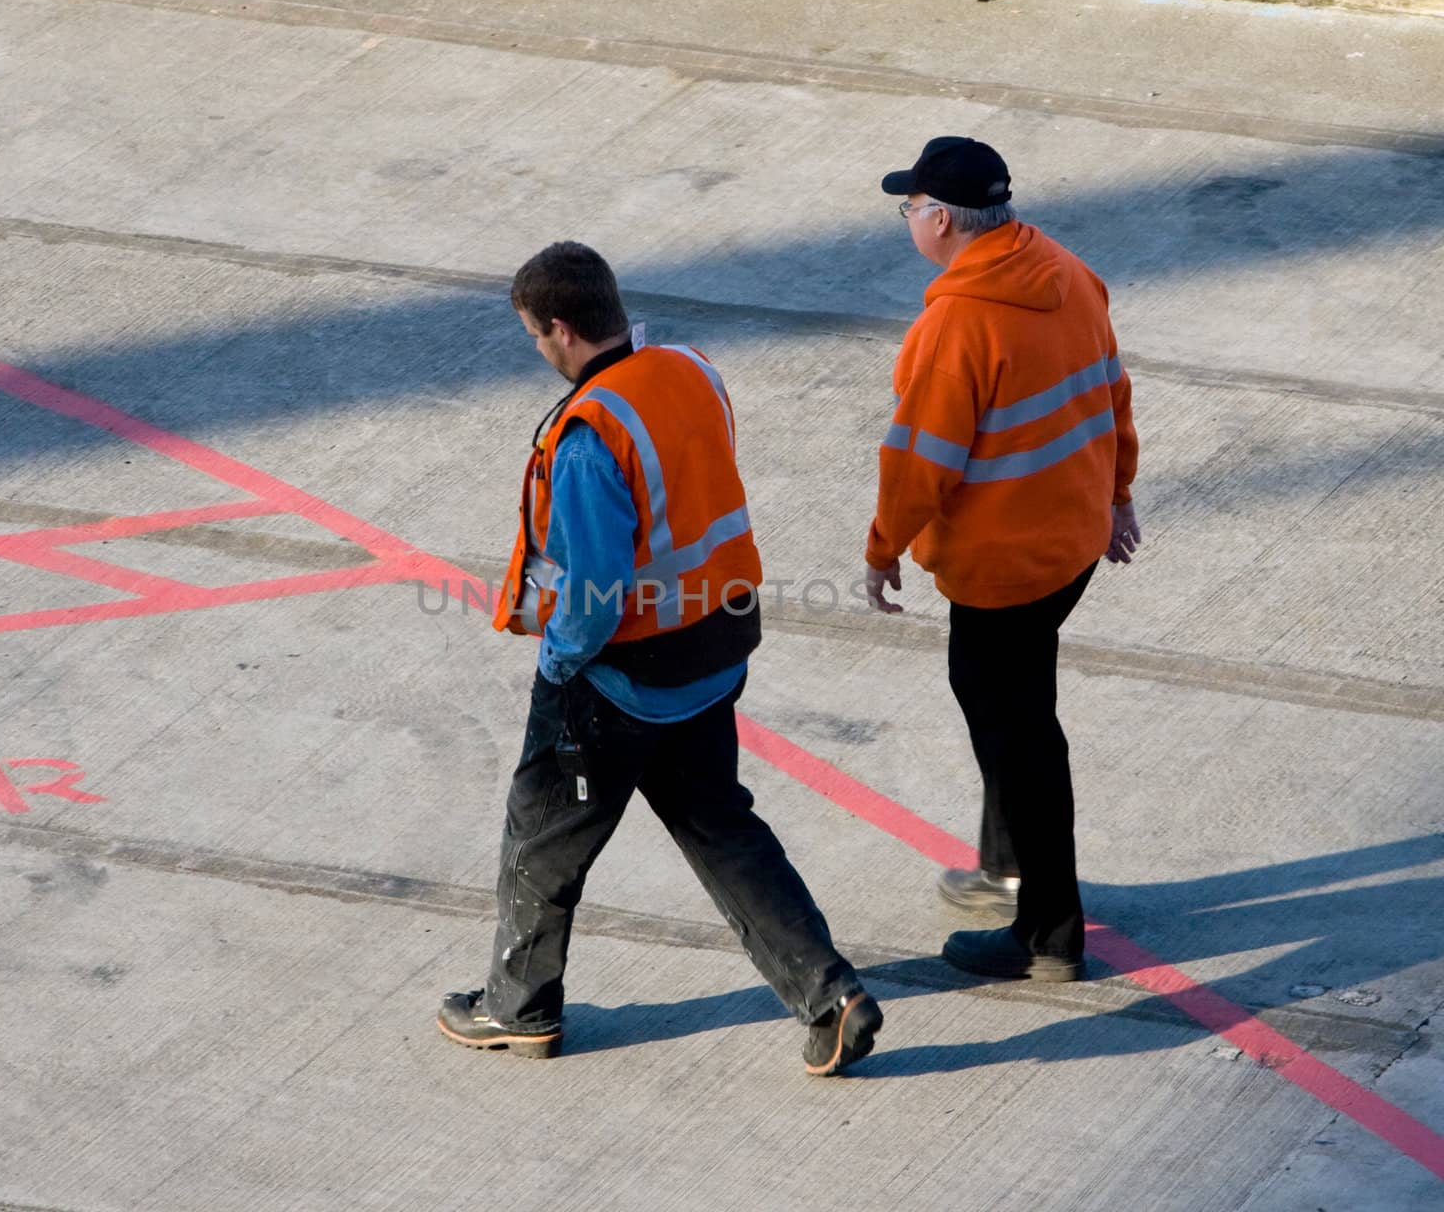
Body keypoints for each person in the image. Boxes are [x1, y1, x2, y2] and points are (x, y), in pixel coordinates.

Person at [437, 241, 881, 1074]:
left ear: (562, 330)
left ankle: (519, 1007)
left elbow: (597, 589)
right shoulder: (691, 371)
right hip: (711, 651)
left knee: (541, 841)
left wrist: (560, 665)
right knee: (723, 830)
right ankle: (831, 995)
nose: (538, 349)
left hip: (620, 679)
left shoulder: (585, 438)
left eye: (535, 335)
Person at [862, 138, 1141, 982]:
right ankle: (1008, 866)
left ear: (941, 220)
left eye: (909, 206)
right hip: (1073, 540)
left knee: (1017, 732)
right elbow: (1113, 390)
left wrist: (882, 549)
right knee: (1014, 706)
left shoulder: (955, 327)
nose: (908, 218)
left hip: (1001, 567)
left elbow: (918, 463)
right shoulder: (1066, 271)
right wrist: (1119, 493)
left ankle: (1048, 933)